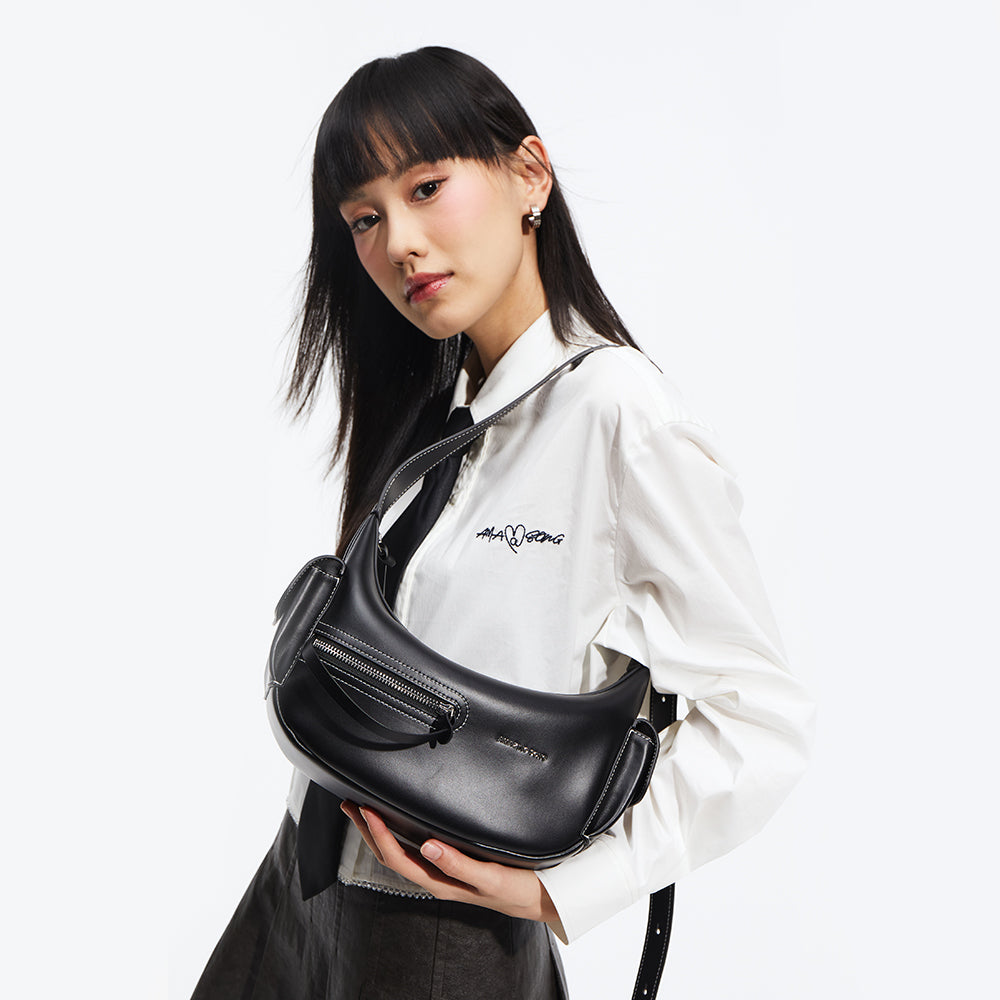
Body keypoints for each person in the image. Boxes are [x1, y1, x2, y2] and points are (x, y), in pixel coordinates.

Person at [192, 45, 814, 1000]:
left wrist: (562, 891)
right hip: (299, 888)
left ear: (530, 174)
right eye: (364, 218)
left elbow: (760, 720)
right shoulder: (442, 411)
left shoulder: (615, 412)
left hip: (436, 934)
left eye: (427, 187)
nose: (398, 241)